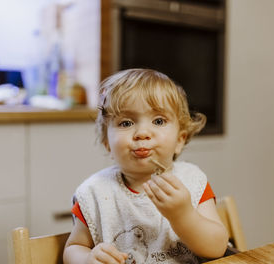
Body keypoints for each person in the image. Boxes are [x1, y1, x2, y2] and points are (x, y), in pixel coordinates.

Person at [63, 69, 228, 264]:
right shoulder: (95, 192)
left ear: (180, 140)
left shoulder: (192, 181)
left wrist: (183, 215)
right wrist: (88, 259)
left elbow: (217, 248)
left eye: (158, 121)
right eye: (126, 123)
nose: (142, 133)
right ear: (107, 142)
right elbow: (74, 248)